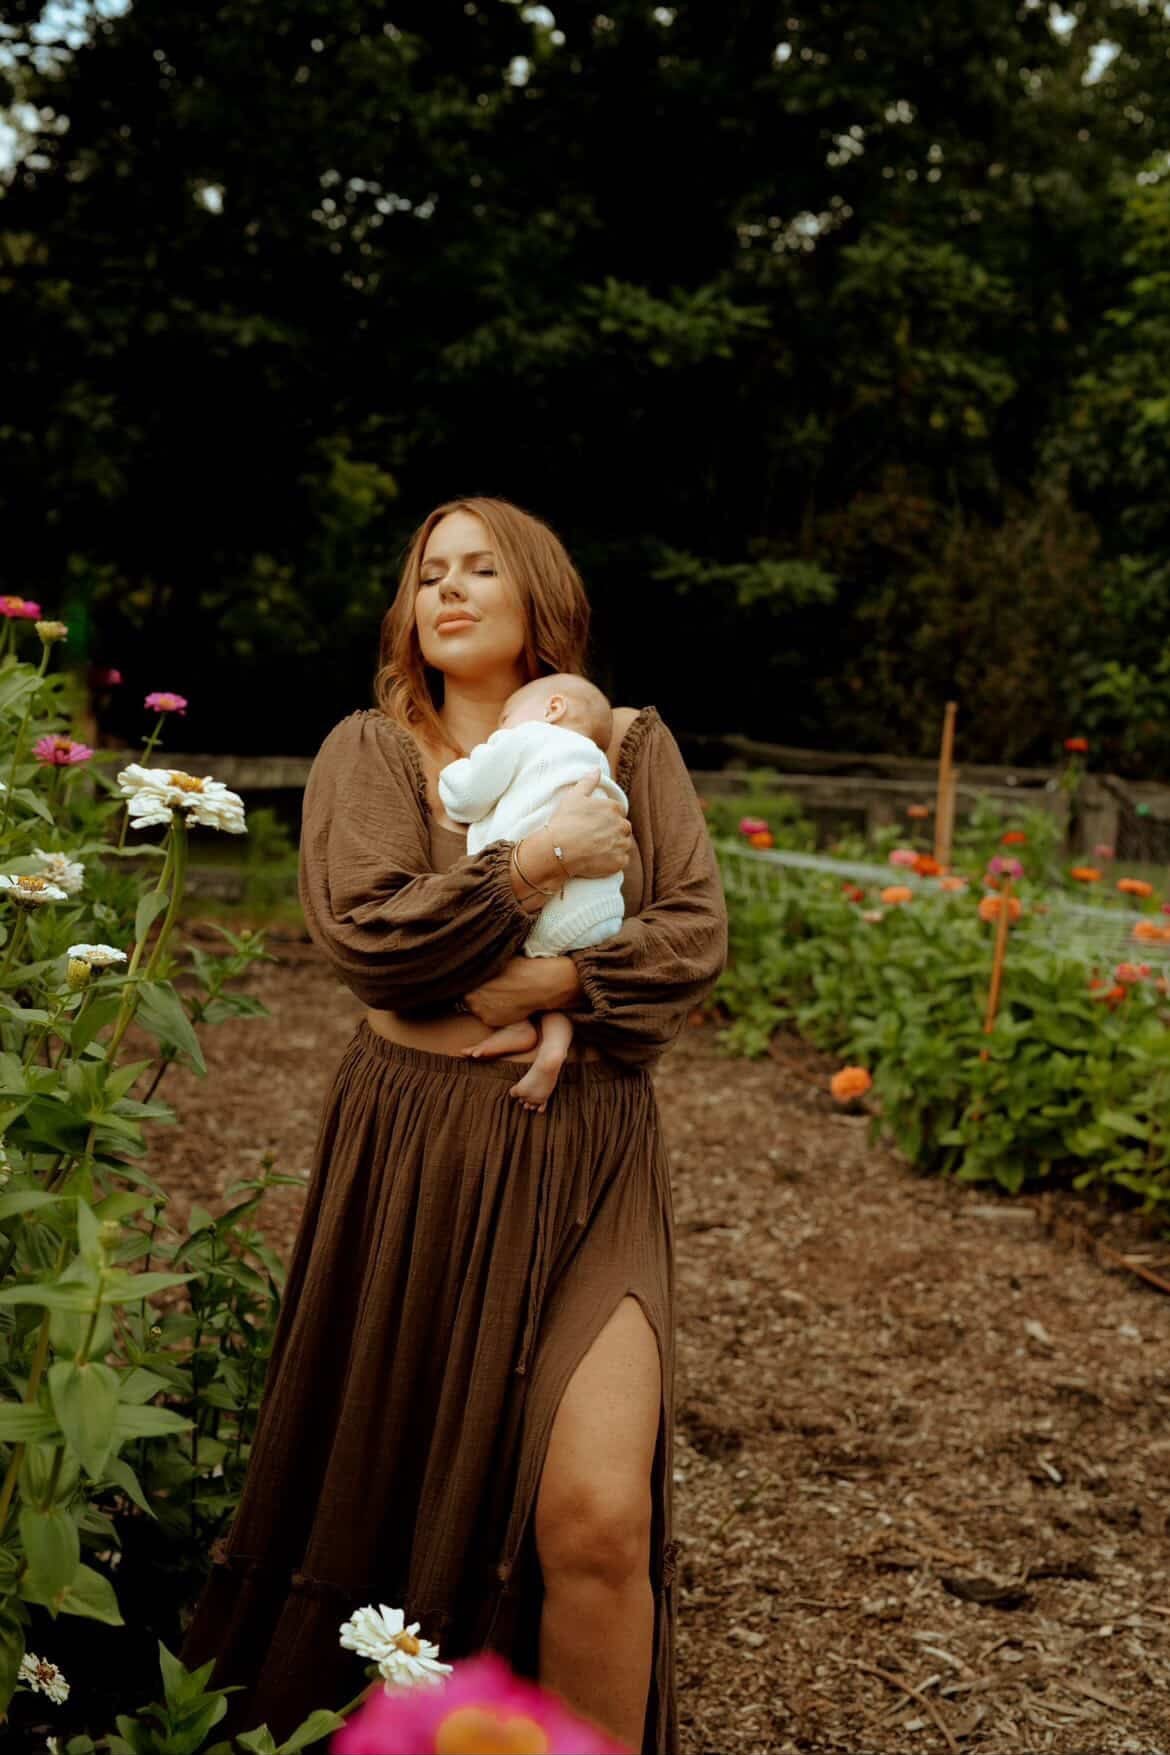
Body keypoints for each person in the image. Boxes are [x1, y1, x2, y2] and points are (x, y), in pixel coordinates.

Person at [180, 495, 728, 1755]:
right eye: (432, 573)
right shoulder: (367, 756)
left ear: (541, 594)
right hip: (417, 1152)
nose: (452, 591)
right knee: (392, 1492)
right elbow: (376, 939)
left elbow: (692, 933)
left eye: (484, 568)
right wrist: (531, 871)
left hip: (589, 1150)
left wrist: (553, 983)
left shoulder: (631, 745)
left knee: (598, 1515)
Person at [439, 670, 630, 1113]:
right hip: (598, 907)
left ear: (553, 708)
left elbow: (467, 795)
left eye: (506, 716)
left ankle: (521, 1025)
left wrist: (452, 774)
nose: (500, 726)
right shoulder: (595, 762)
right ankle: (552, 1048)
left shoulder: (528, 738)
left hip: (545, 893)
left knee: (492, 940)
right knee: (557, 968)